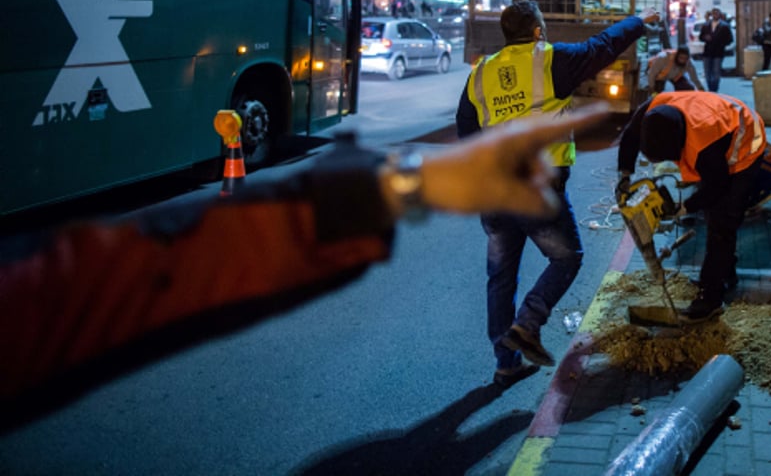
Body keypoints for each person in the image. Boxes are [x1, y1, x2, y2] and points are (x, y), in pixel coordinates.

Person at [0, 105, 613, 404]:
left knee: (497, 272)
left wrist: (391, 185)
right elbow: (114, 282)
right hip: (531, 190)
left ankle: (505, 353)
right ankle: (518, 339)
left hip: (490, 202)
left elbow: (88, 286)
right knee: (551, 260)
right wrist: (396, 184)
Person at [458, 0, 659, 383]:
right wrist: (639, 21)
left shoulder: (482, 72)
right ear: (536, 31)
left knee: (500, 276)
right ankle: (527, 323)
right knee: (567, 258)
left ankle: (505, 363)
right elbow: (603, 46)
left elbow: (466, 128)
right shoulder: (549, 61)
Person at [615, 91, 766, 322]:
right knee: (713, 215)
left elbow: (717, 185)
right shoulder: (653, 110)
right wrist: (624, 176)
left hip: (746, 145)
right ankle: (725, 271)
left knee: (722, 223)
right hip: (719, 121)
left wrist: (684, 207)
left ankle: (711, 298)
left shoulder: (704, 147)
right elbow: (629, 136)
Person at [698, 8, 733, 91]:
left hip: (718, 51)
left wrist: (721, 42)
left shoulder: (724, 26)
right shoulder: (706, 25)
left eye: (717, 13)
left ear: (719, 14)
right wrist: (705, 38)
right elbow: (701, 37)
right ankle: (710, 88)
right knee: (707, 72)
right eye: (713, 13)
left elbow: (730, 39)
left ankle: (714, 88)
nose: (715, 15)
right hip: (708, 51)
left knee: (716, 71)